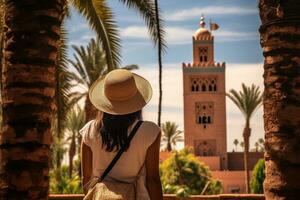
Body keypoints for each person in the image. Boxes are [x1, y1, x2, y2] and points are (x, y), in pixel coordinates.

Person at [80, 69, 163, 200]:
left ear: (105, 101)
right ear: (137, 100)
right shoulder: (150, 132)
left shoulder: (89, 130)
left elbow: (86, 178)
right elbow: (153, 180)